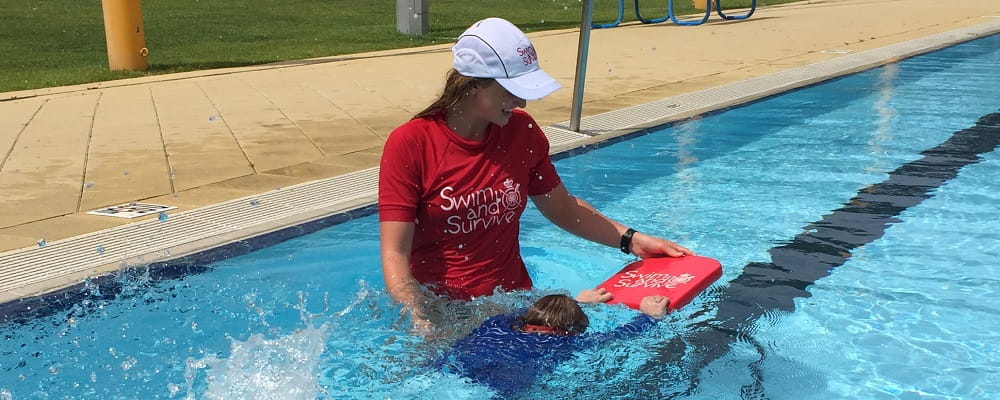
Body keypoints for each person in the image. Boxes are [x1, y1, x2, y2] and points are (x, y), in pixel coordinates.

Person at [378, 17, 693, 326]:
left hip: (516, 304)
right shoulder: (411, 143)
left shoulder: (521, 132)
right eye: (512, 91)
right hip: (443, 313)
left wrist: (633, 241)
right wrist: (417, 319)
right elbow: (395, 254)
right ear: (473, 85)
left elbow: (563, 208)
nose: (523, 103)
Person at [433, 291, 670, 397]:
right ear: (569, 331)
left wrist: (578, 301)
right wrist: (649, 316)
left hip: (442, 370)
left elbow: (525, 312)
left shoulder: (498, 322)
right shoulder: (559, 343)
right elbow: (615, 337)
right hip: (497, 391)